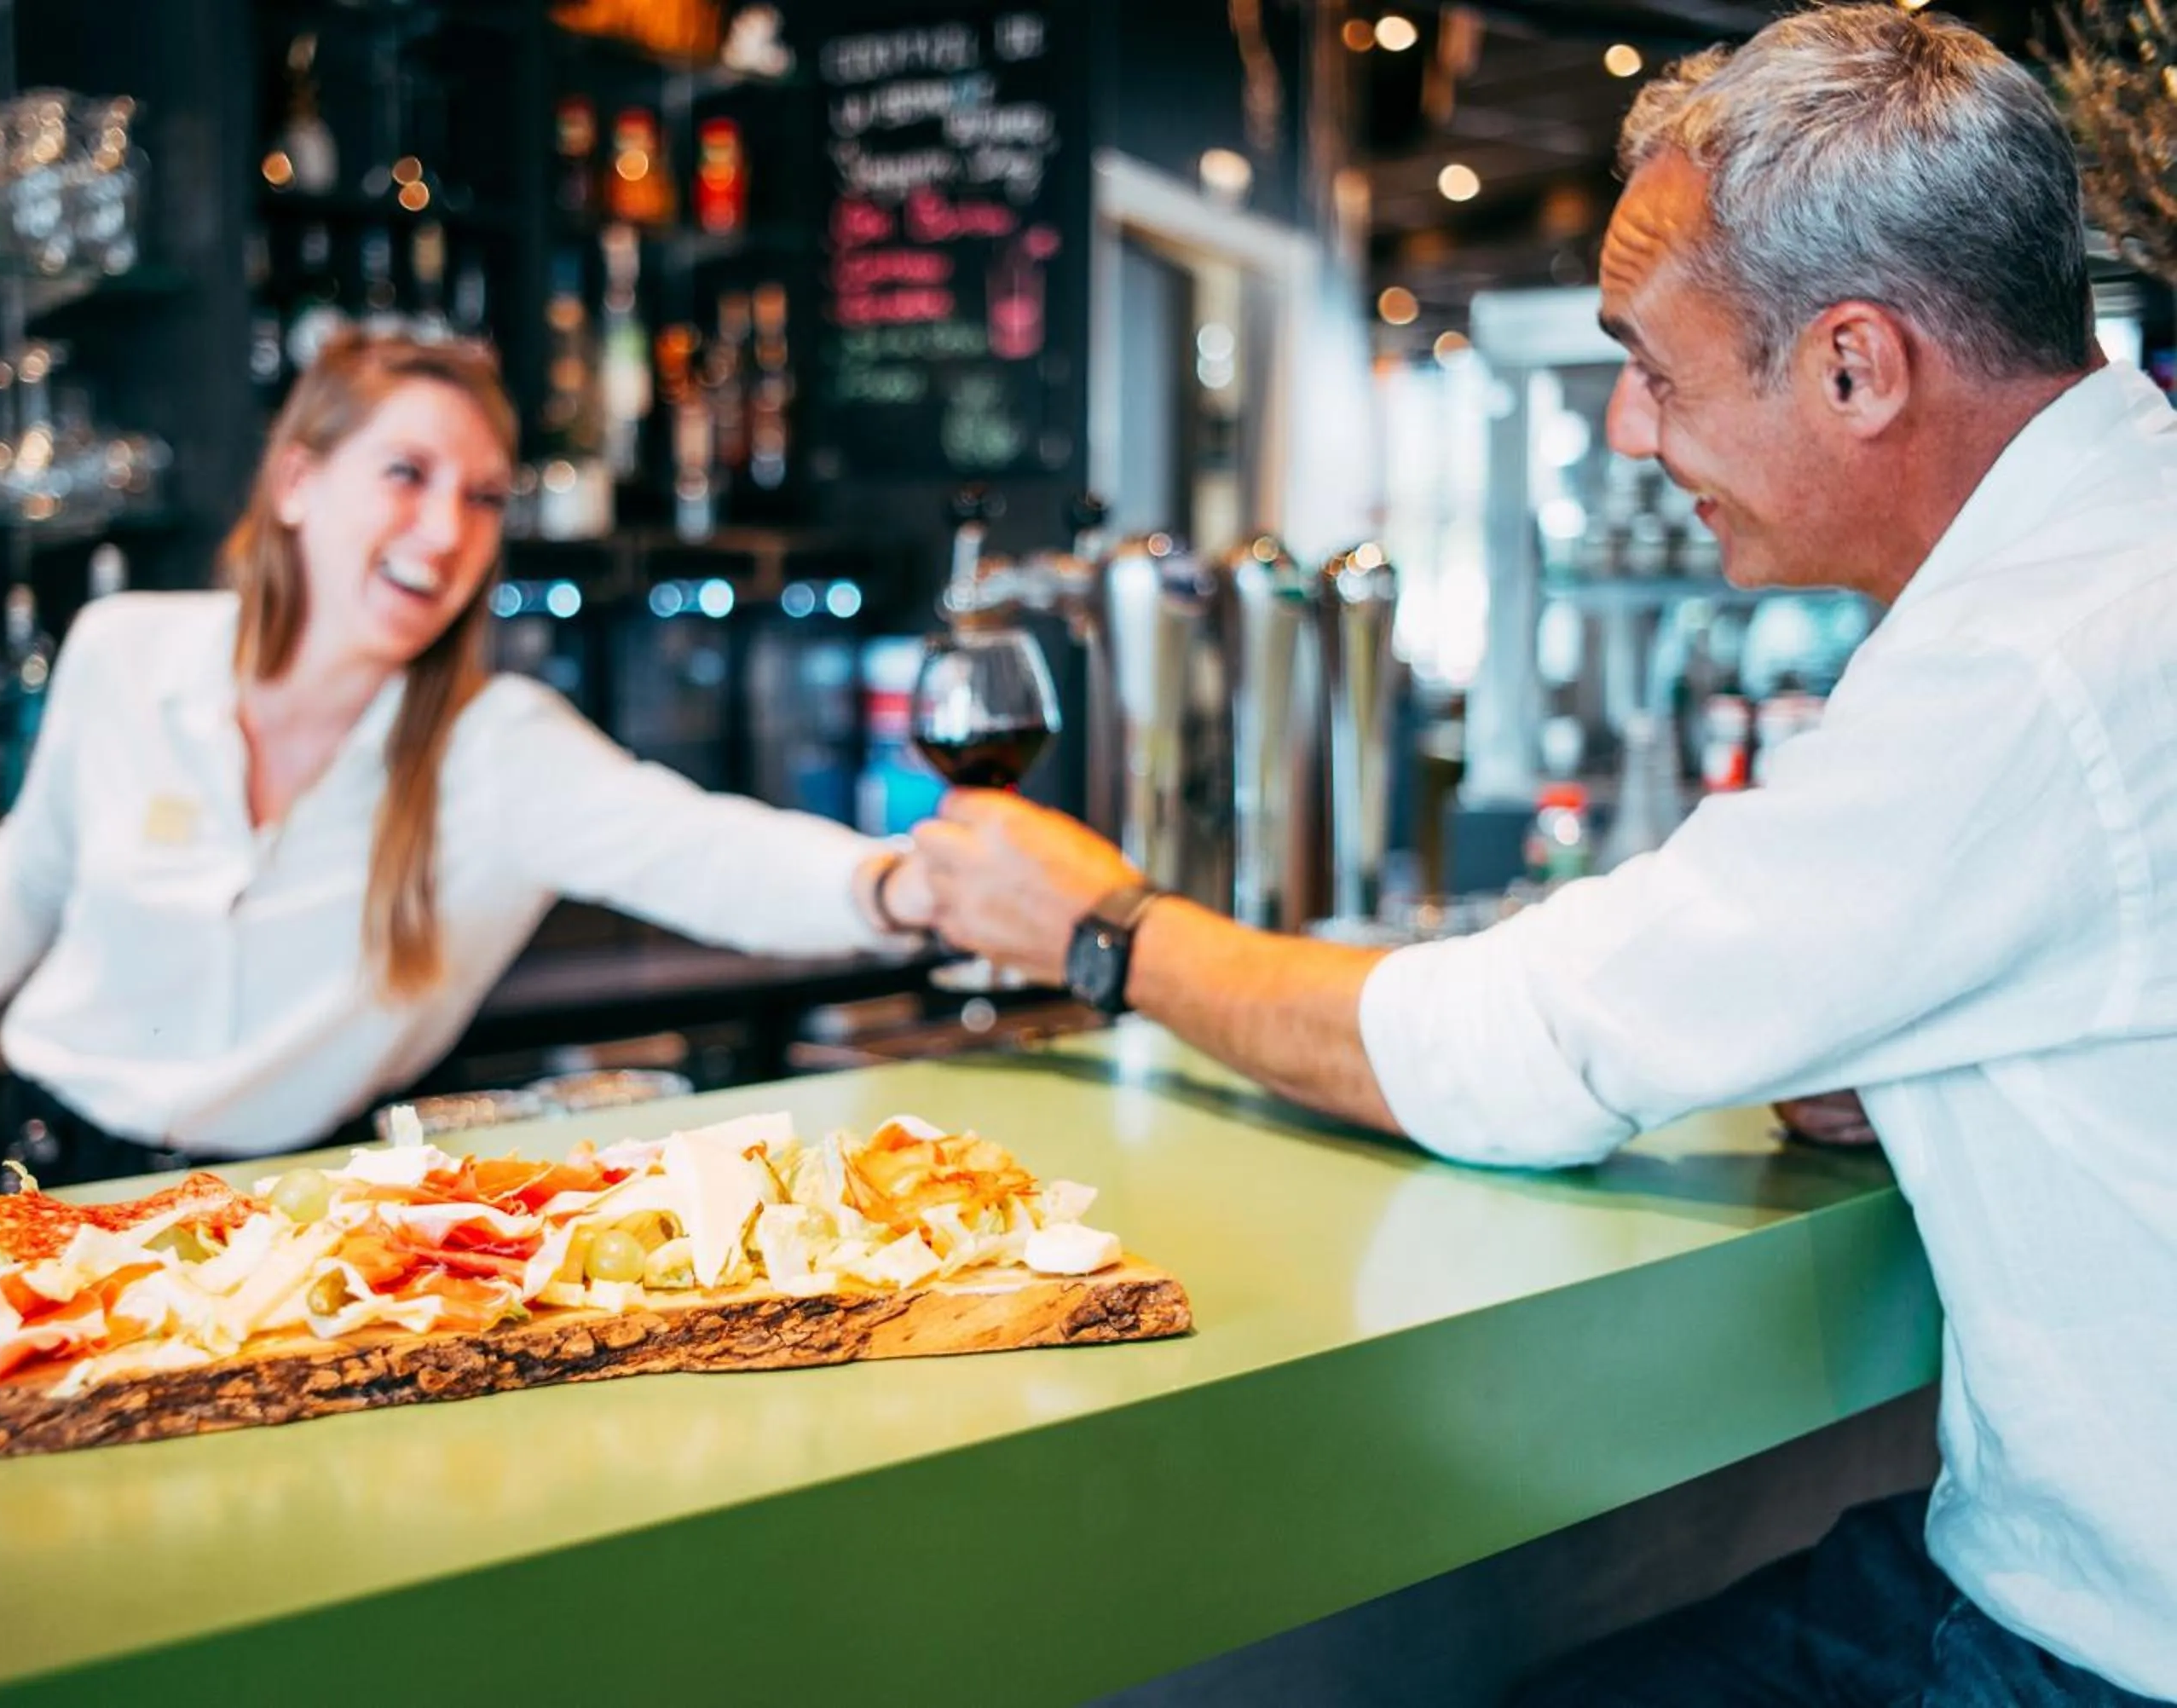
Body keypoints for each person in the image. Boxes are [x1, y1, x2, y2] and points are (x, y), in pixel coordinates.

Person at [915, 7, 2177, 1703]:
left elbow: (1515, 1054)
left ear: (1858, 368)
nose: (1630, 435)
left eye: (1655, 366)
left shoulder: (2028, 663)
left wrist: (1102, 926)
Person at [0, 331, 931, 1203]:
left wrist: (906, 887)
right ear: (300, 482)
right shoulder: (126, 649)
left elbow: (711, 853)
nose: (447, 532)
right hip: (42, 1175)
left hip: (296, 1213)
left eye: (481, 499)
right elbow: (27, 878)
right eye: (406, 475)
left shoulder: (494, 748)